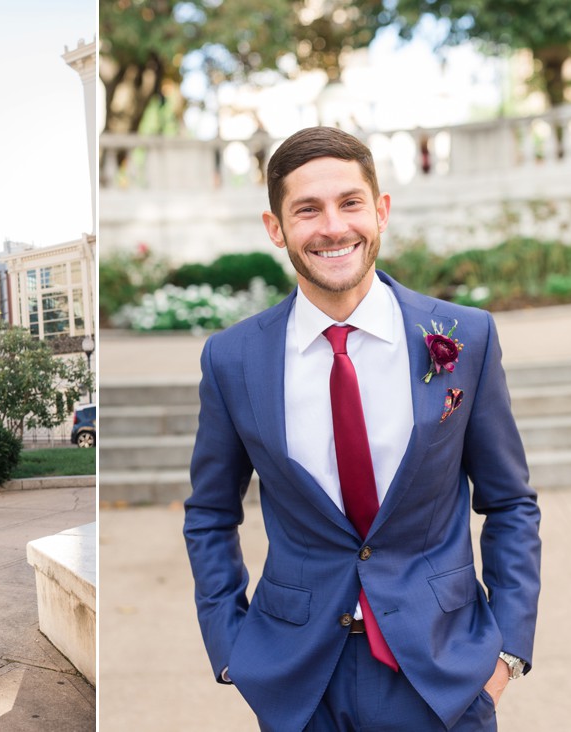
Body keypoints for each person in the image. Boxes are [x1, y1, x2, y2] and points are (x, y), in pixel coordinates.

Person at [184, 127, 541, 731]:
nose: (332, 226)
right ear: (276, 229)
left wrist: (505, 652)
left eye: (350, 203)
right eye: (307, 209)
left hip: (442, 673)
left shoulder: (466, 337)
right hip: (299, 680)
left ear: (380, 212)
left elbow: (510, 503)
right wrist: (231, 650)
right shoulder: (233, 359)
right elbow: (211, 513)